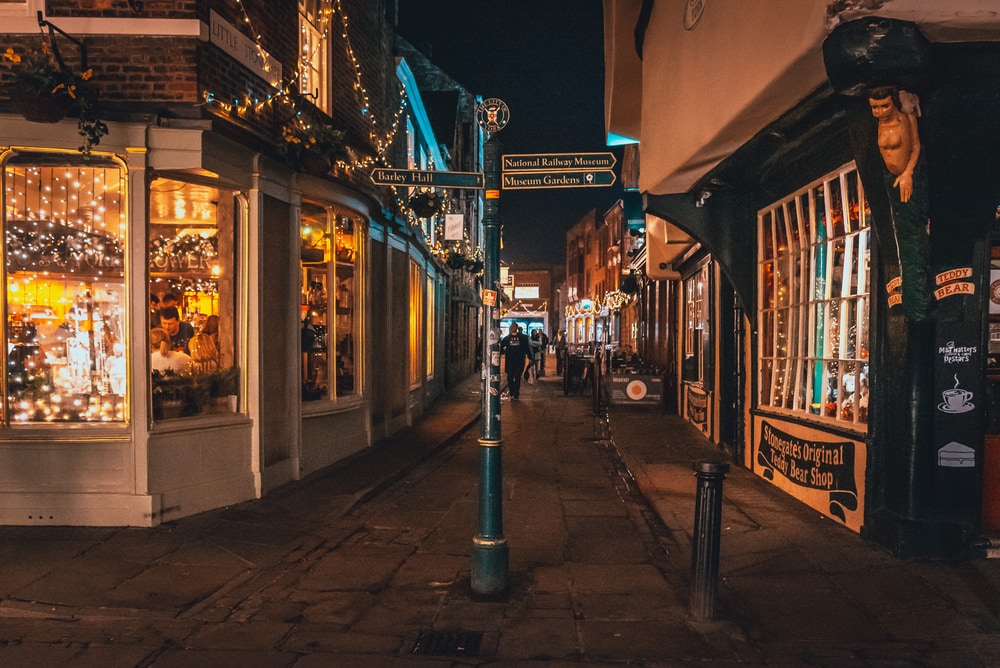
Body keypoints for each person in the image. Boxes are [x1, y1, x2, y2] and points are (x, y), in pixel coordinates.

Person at [868, 85, 929, 321]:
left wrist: (908, 174)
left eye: (884, 105)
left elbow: (915, 146)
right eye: (875, 107)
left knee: (910, 230)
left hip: (905, 179)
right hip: (890, 179)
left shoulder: (905, 119)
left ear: (893, 102)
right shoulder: (878, 124)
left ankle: (917, 303)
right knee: (898, 228)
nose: (880, 111)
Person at [499, 323, 529, 400]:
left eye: (514, 326)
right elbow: (501, 347)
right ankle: (512, 391)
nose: (513, 328)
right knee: (510, 377)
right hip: (510, 361)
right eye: (511, 327)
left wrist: (530, 357)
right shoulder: (507, 338)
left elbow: (526, 348)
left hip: (519, 361)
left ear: (517, 328)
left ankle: (516, 393)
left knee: (517, 376)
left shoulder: (522, 338)